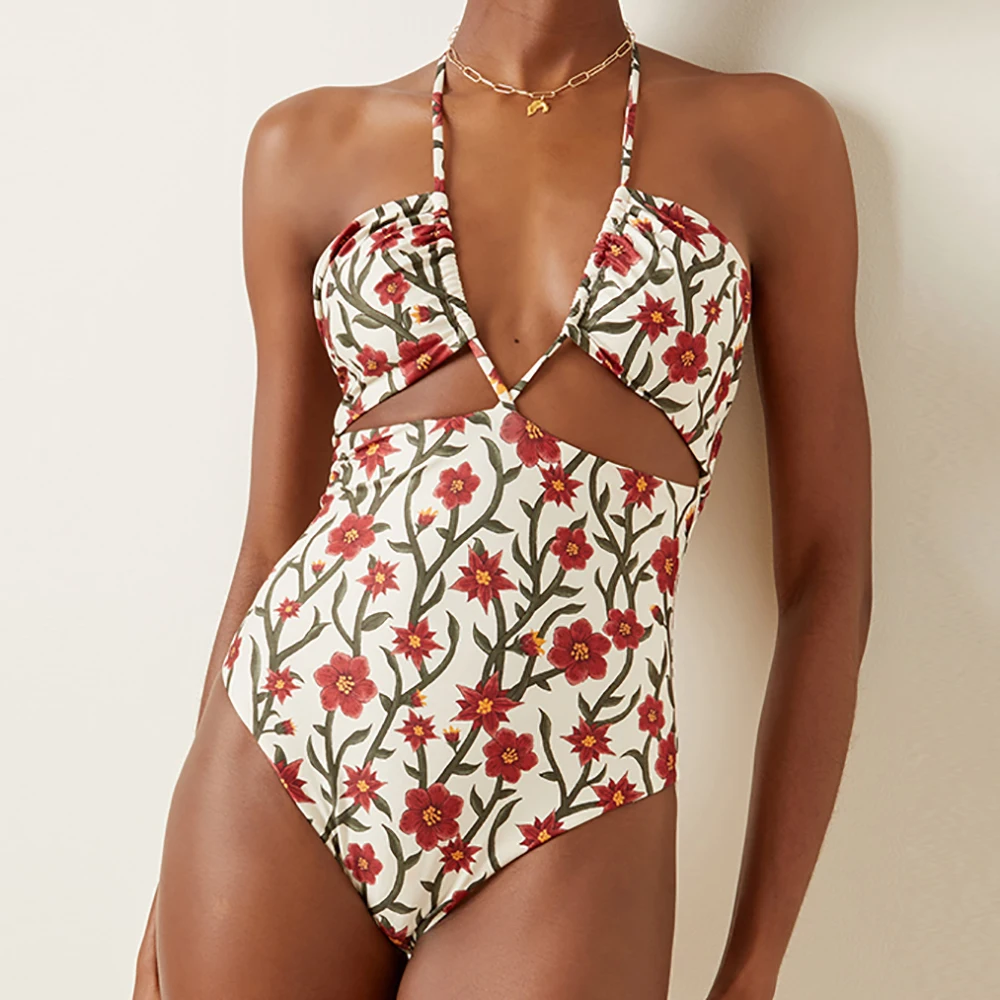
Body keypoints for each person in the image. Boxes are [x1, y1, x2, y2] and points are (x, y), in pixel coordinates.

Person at [134, 1, 871, 997]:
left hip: (574, 777)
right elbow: (272, 541)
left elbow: (830, 571)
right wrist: (165, 902)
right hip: (285, 752)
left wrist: (756, 964)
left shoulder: (774, 137)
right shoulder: (302, 145)